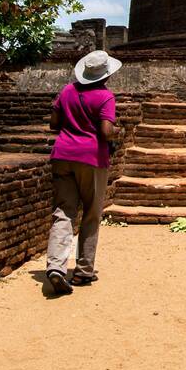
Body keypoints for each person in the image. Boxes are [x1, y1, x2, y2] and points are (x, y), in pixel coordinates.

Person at [45, 49, 122, 296]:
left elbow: (53, 123)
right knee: (90, 214)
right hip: (91, 159)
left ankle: (56, 267)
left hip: (62, 155)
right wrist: (117, 132)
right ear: (106, 75)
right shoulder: (105, 97)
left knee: (63, 213)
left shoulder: (67, 91)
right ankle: (83, 271)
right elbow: (106, 131)